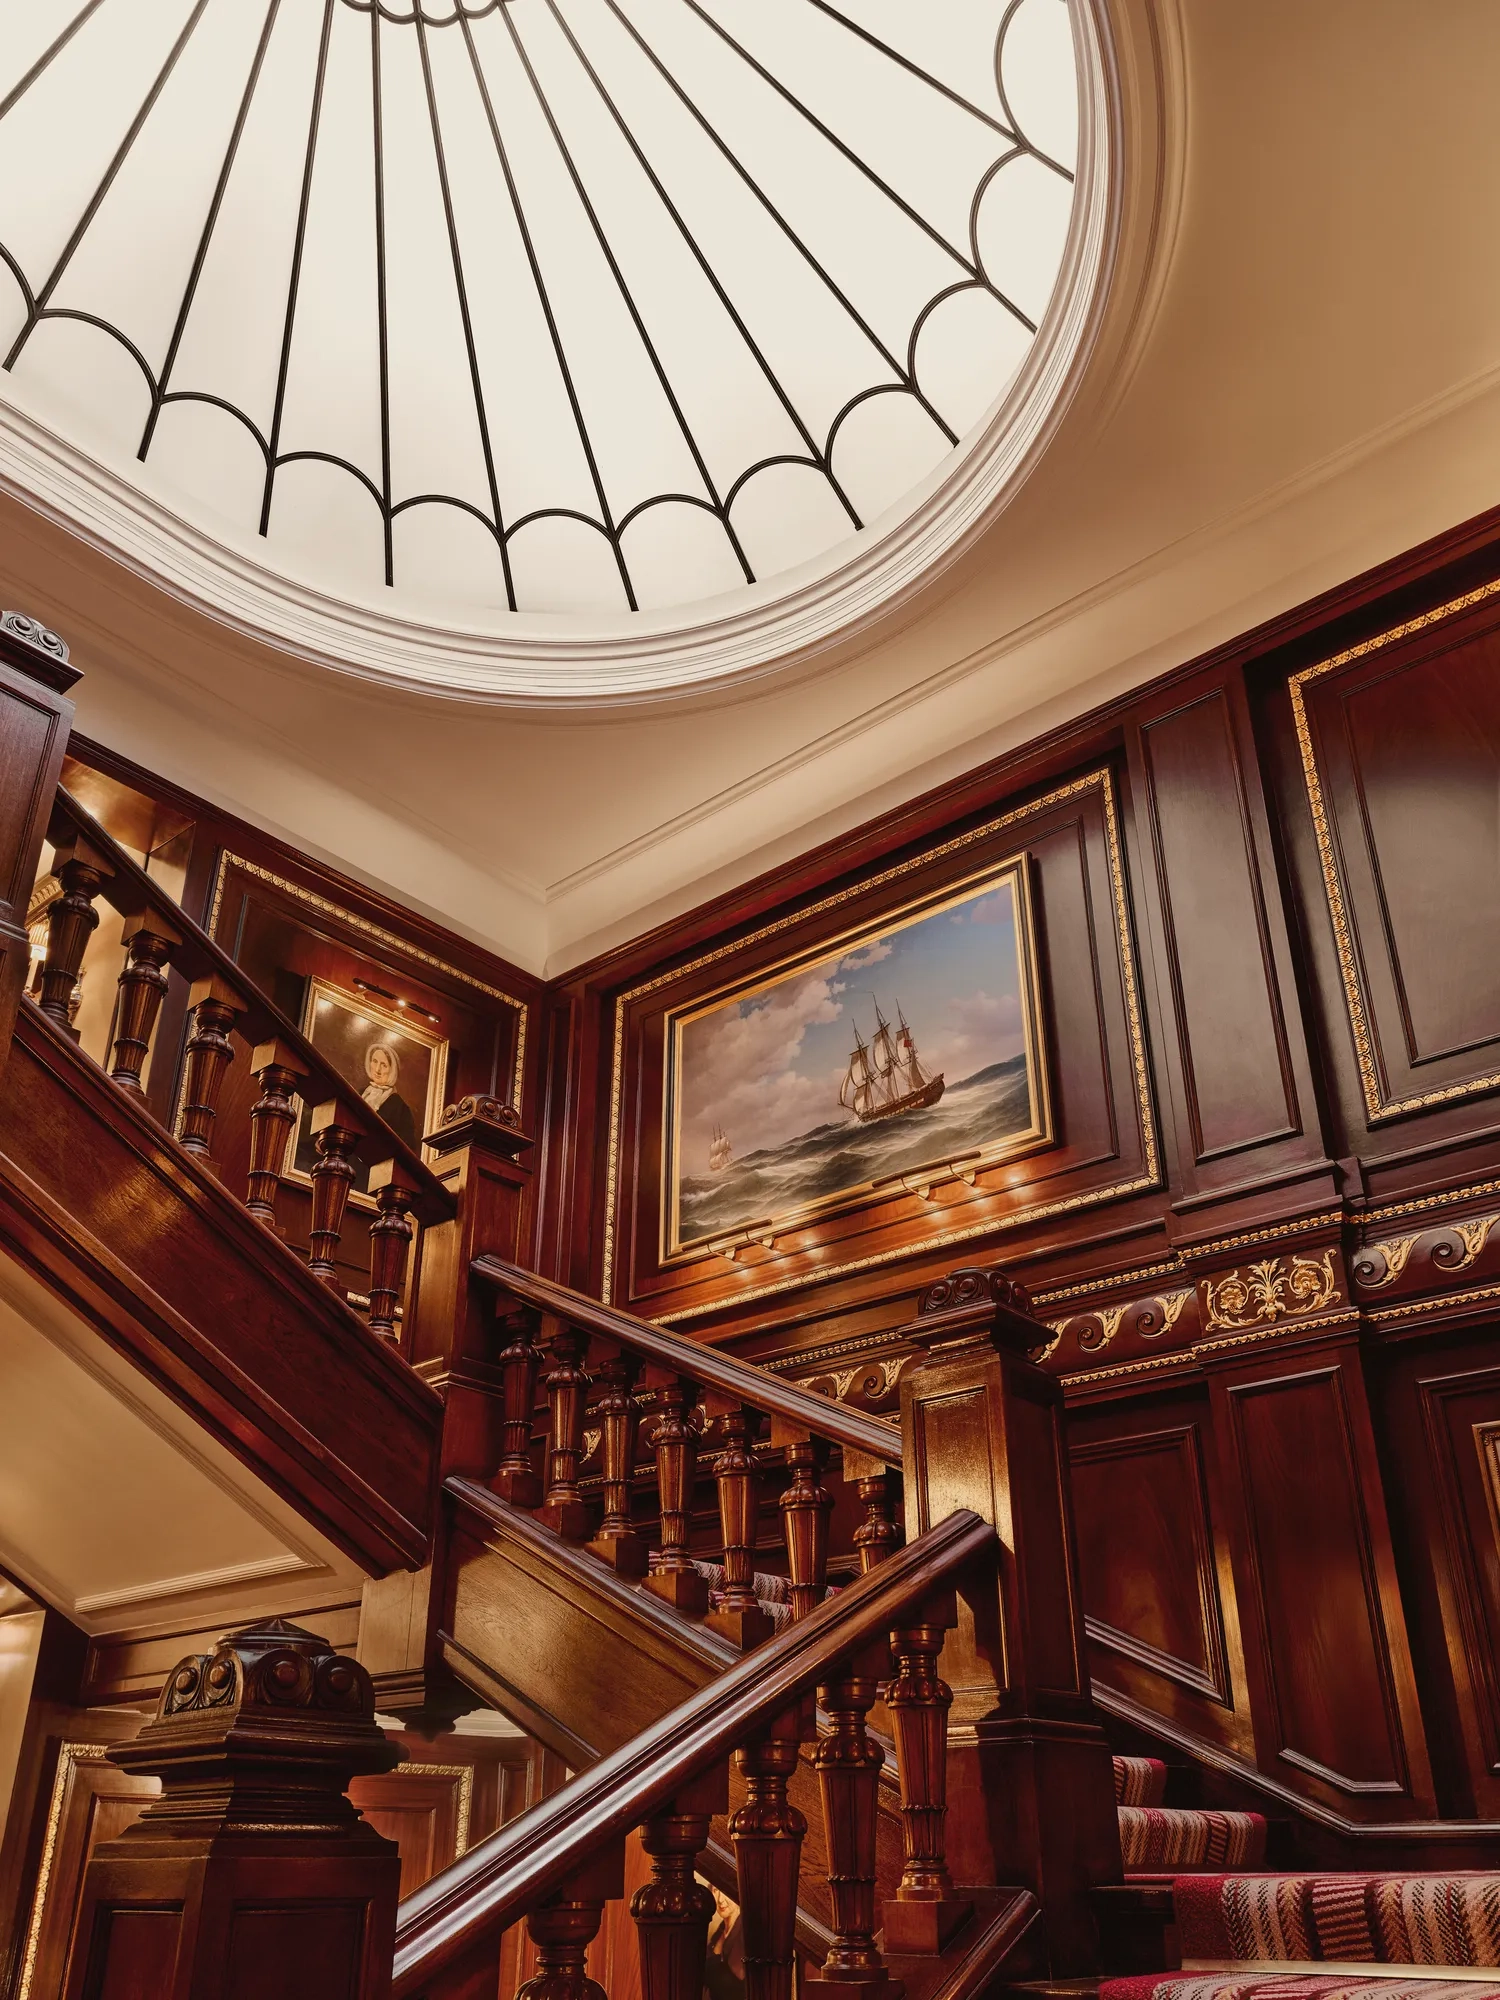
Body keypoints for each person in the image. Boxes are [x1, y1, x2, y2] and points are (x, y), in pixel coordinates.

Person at [361, 1040, 417, 1151]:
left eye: (384, 1065)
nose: (377, 1070)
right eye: (375, 1061)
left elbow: (407, 1147)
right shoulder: (360, 1093)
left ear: (392, 1070)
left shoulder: (400, 1107)